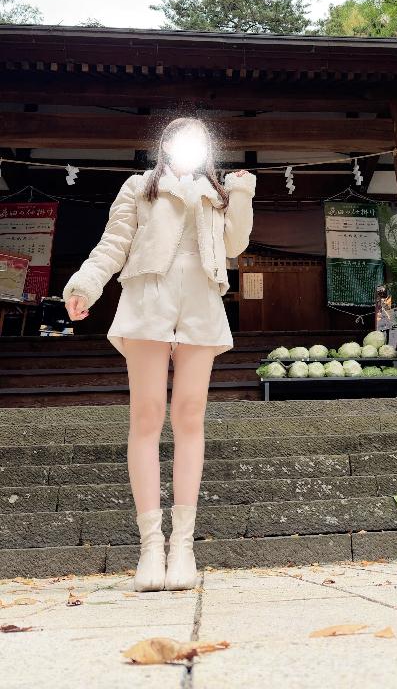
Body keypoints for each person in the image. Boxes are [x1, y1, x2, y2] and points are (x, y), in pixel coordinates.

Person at [62, 117, 256, 592]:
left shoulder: (217, 194)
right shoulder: (139, 187)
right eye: (179, 139)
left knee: (190, 417)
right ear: (165, 145)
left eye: (197, 141)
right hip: (148, 299)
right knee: (146, 417)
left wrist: (242, 193)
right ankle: (151, 546)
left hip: (201, 303)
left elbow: (236, 244)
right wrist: (86, 284)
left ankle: (183, 546)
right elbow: (113, 243)